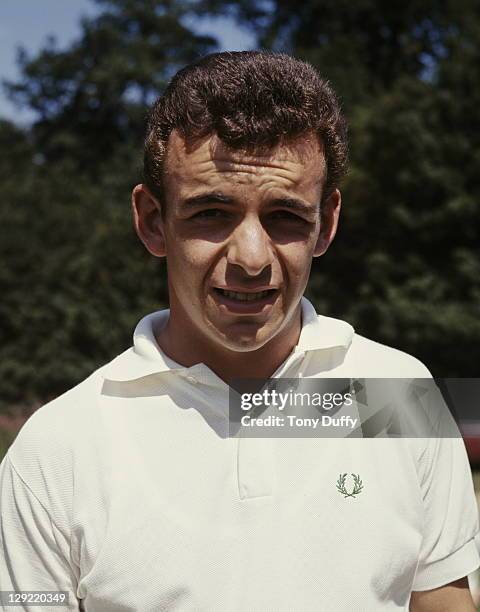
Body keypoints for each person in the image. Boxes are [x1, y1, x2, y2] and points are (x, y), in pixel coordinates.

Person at [0, 51, 478, 611]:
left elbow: (442, 602)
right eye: (211, 213)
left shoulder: (398, 395)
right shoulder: (59, 448)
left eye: (285, 217)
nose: (251, 258)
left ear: (326, 223)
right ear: (153, 221)